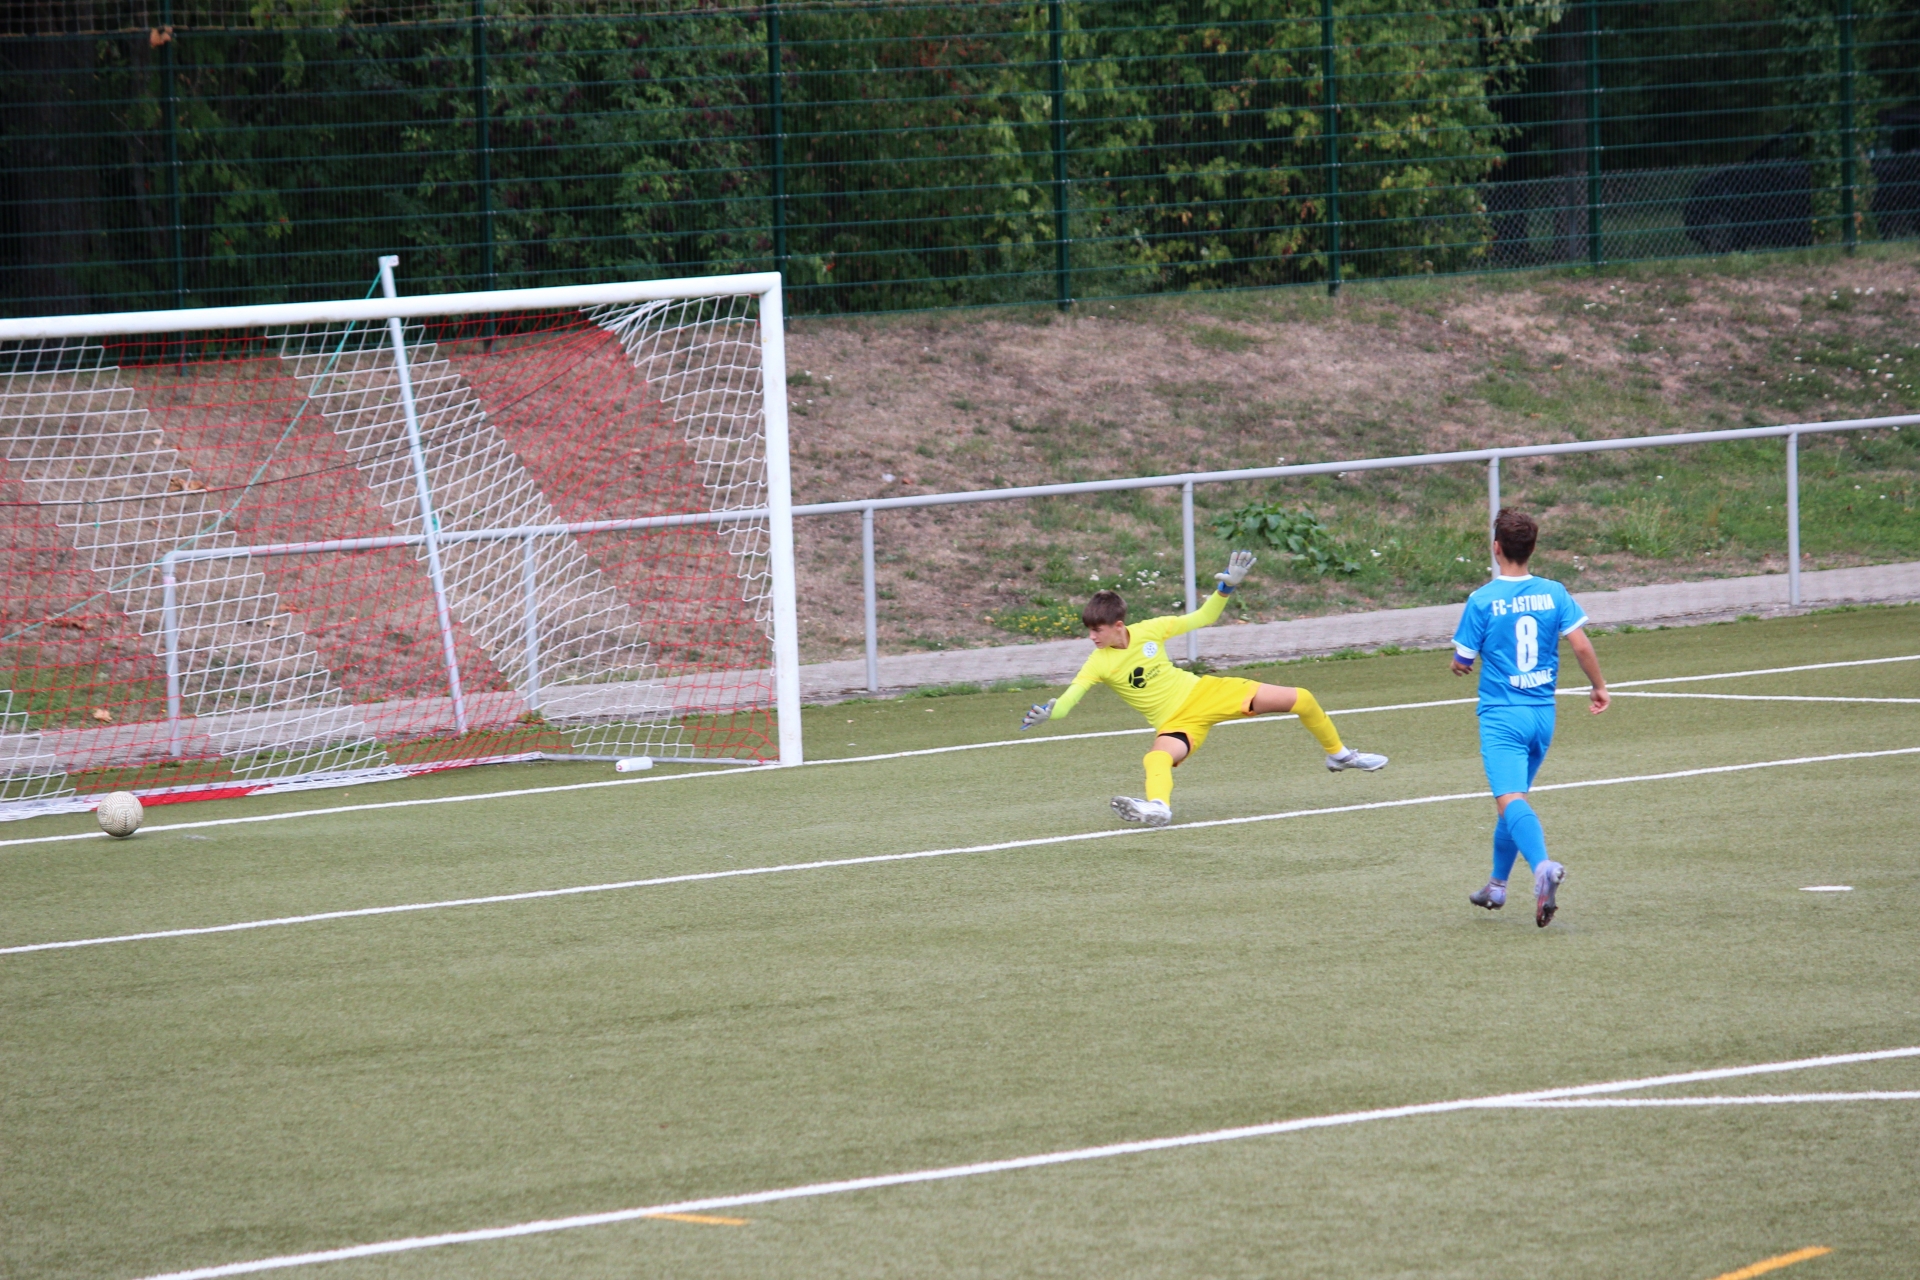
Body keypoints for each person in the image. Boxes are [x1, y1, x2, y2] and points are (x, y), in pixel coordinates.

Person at [1021, 550, 1388, 827]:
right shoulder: (1097, 662)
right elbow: (1069, 699)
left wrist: (1226, 587)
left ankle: (1339, 755)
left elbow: (1204, 617)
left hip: (1207, 693)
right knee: (1155, 758)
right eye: (1089, 630)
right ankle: (1159, 808)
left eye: (1097, 630)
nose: (1091, 637)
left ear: (1118, 626)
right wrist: (1050, 712)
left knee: (1301, 698)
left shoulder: (1151, 629)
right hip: (1177, 722)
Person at [1450, 509, 1610, 927]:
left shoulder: (1482, 599)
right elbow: (1580, 644)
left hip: (1503, 715)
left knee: (1510, 799)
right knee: (1512, 800)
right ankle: (1496, 885)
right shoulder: (1554, 592)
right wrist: (1598, 685)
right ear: (1533, 549)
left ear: (1496, 548)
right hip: (1542, 716)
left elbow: (1463, 659)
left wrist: (1459, 665)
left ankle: (1542, 867)